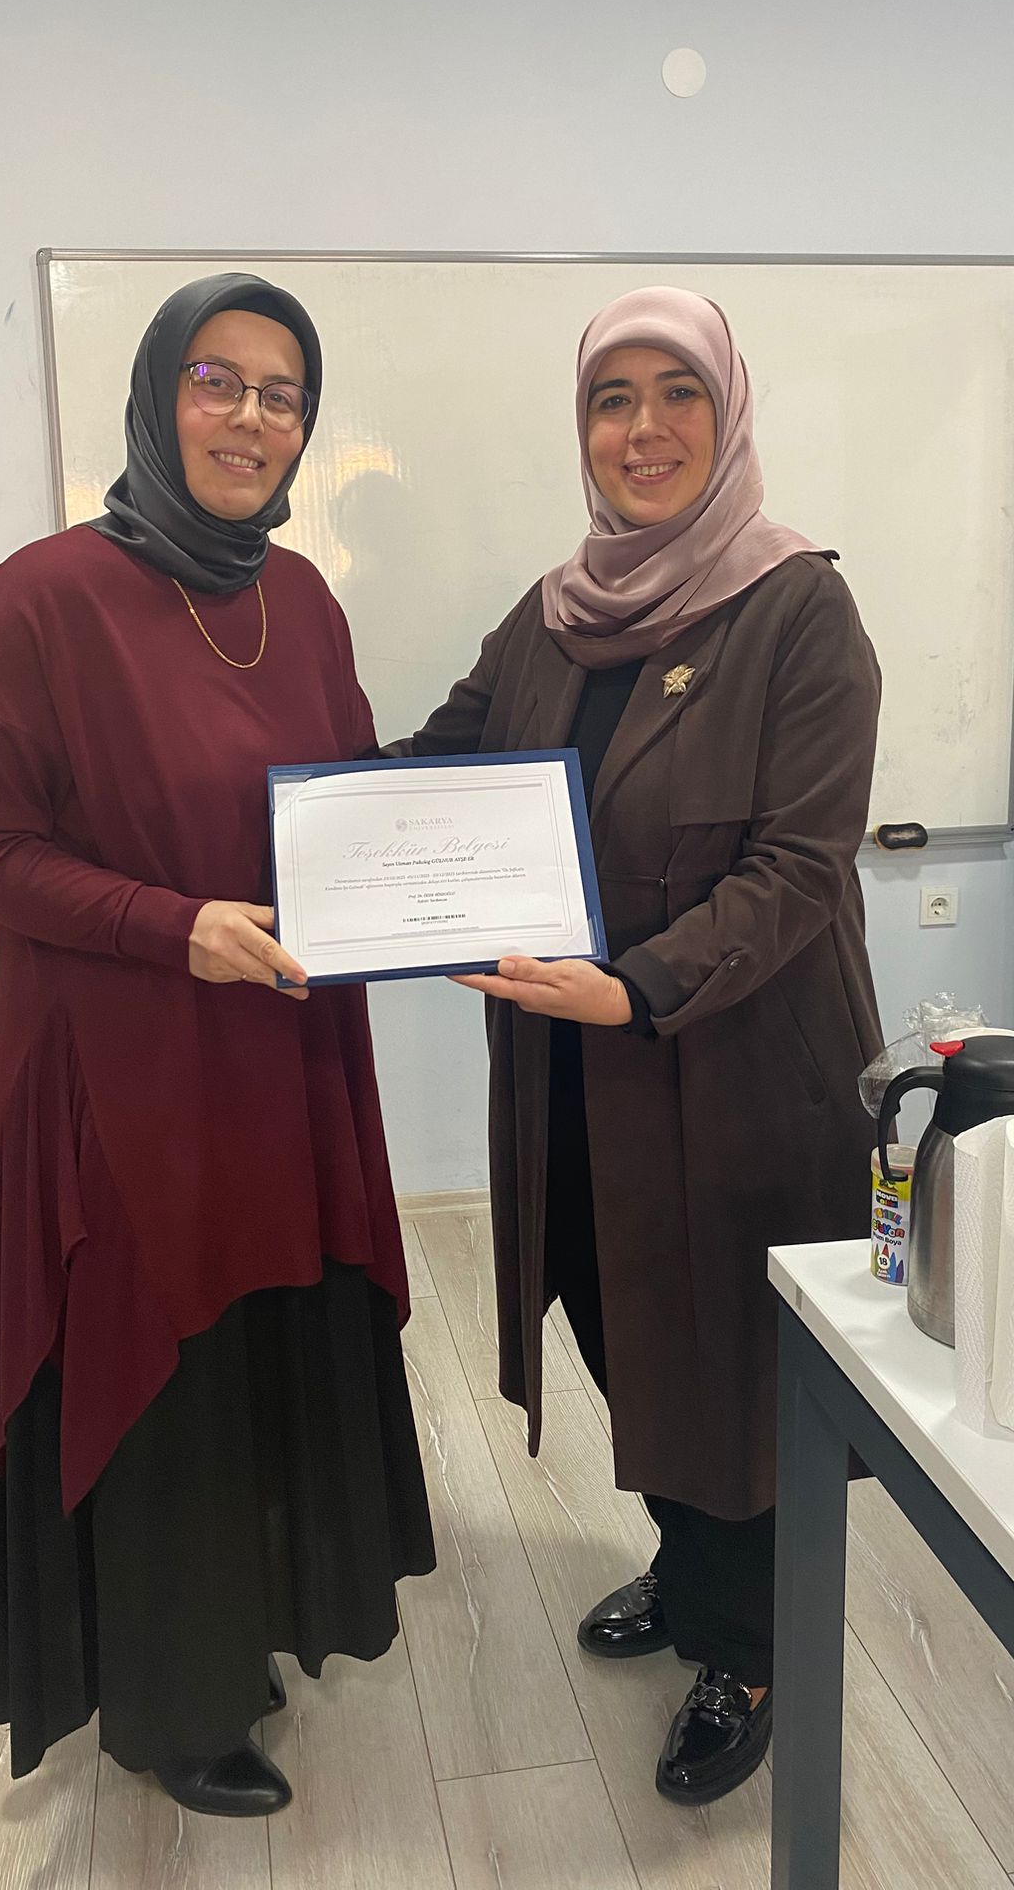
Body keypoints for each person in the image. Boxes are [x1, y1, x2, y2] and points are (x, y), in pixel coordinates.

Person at [0, 272, 435, 1818]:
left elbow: (338, 800)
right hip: (120, 1085)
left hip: (278, 1068)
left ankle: (255, 1619)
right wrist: (169, 925)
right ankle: (169, 1700)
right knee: (167, 1377)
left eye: (283, 393)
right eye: (219, 380)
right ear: (158, 395)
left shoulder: (304, 598)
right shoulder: (43, 597)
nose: (251, 417)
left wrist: (455, 873)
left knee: (263, 1348)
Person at [396, 286, 882, 1806]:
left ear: (728, 416)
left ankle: (752, 1648)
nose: (645, 427)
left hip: (731, 1071)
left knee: (729, 1365)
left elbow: (800, 869)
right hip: (578, 1074)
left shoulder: (798, 609)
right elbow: (438, 768)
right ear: (584, 428)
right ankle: (690, 1565)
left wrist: (638, 985)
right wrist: (313, 837)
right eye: (614, 398)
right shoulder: (551, 616)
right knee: (624, 1326)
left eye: (680, 393)